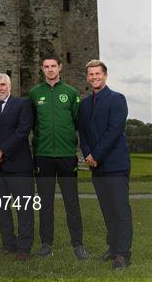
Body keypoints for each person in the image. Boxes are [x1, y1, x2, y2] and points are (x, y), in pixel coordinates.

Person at [29, 55, 88, 260]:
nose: (50, 69)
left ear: (60, 68)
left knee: (72, 202)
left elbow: (78, 122)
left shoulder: (70, 93)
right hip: (43, 156)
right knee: (45, 203)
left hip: (66, 156)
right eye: (46, 66)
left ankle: (78, 244)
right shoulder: (35, 93)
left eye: (53, 66)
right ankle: (46, 244)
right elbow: (32, 123)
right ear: (42, 69)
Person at [79, 59, 133, 270]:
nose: (94, 77)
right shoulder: (84, 105)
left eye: (97, 74)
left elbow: (113, 131)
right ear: (87, 78)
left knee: (120, 211)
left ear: (105, 75)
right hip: (97, 166)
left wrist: (97, 155)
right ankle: (113, 248)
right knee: (107, 210)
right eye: (91, 74)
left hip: (115, 164)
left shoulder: (117, 99)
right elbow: (82, 133)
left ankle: (123, 254)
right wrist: (88, 155)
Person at [0, 73, 34, 260]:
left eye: (2, 85)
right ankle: (8, 244)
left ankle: (24, 248)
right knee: (1, 210)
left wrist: (2, 150)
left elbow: (22, 131)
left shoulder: (22, 105)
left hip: (18, 166)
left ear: (9, 86)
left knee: (24, 209)